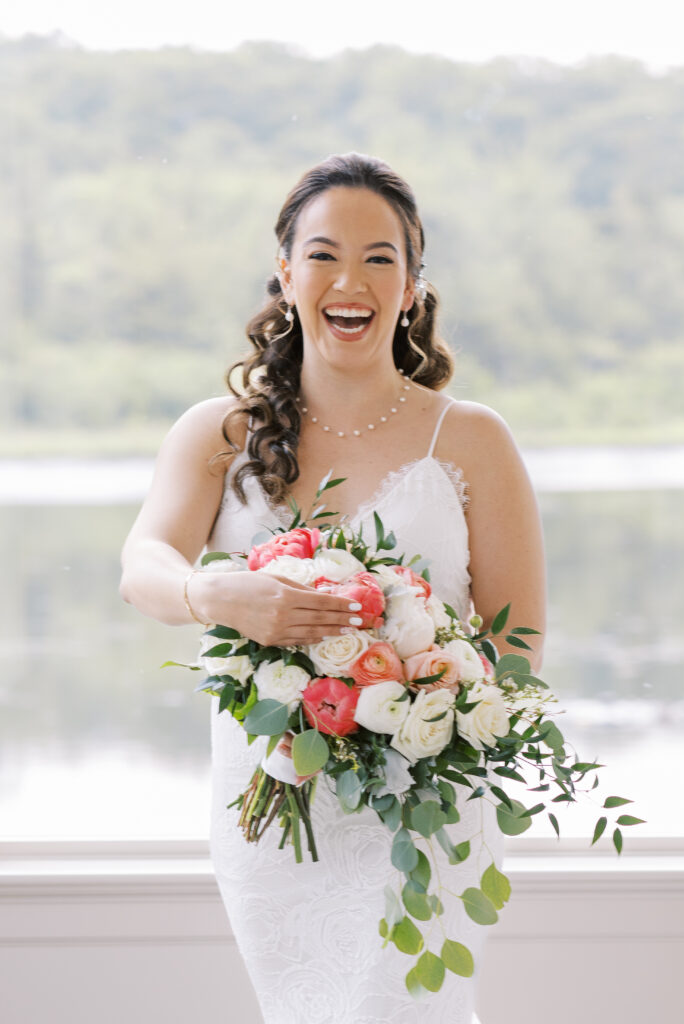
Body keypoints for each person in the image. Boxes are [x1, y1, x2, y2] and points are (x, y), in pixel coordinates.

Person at [120, 153, 546, 1024]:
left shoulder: (472, 439)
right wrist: (219, 596)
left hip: (424, 797)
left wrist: (430, 700)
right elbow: (144, 565)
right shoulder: (219, 432)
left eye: (379, 258)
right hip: (272, 800)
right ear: (284, 274)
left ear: (413, 284)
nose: (349, 280)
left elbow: (518, 643)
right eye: (322, 254)